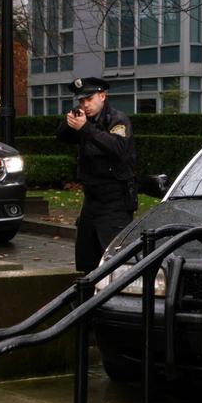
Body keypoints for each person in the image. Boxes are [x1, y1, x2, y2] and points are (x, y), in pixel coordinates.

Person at [56, 77, 137, 273]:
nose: (85, 105)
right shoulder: (87, 120)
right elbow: (61, 137)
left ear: (102, 96)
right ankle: (87, 300)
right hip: (91, 200)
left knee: (116, 262)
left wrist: (85, 128)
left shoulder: (117, 120)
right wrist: (70, 123)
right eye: (81, 101)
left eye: (89, 99)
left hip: (114, 201)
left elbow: (117, 148)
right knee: (85, 260)